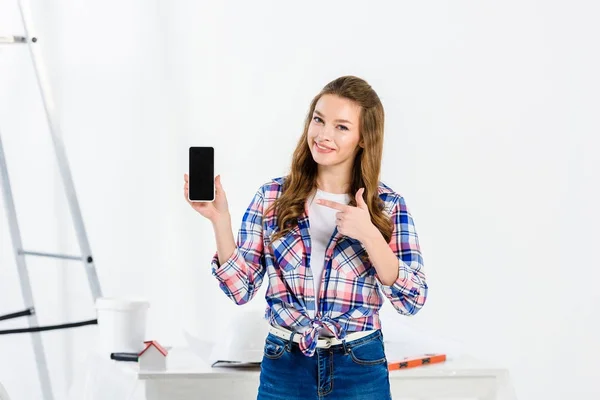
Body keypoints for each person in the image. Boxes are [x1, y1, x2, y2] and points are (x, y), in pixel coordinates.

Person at [183, 75, 428, 400]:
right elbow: (240, 289)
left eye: (341, 127)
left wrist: (370, 235)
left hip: (359, 366)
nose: (324, 134)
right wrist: (220, 219)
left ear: (363, 138)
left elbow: (412, 299)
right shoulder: (272, 197)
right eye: (319, 120)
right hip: (285, 365)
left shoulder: (387, 206)